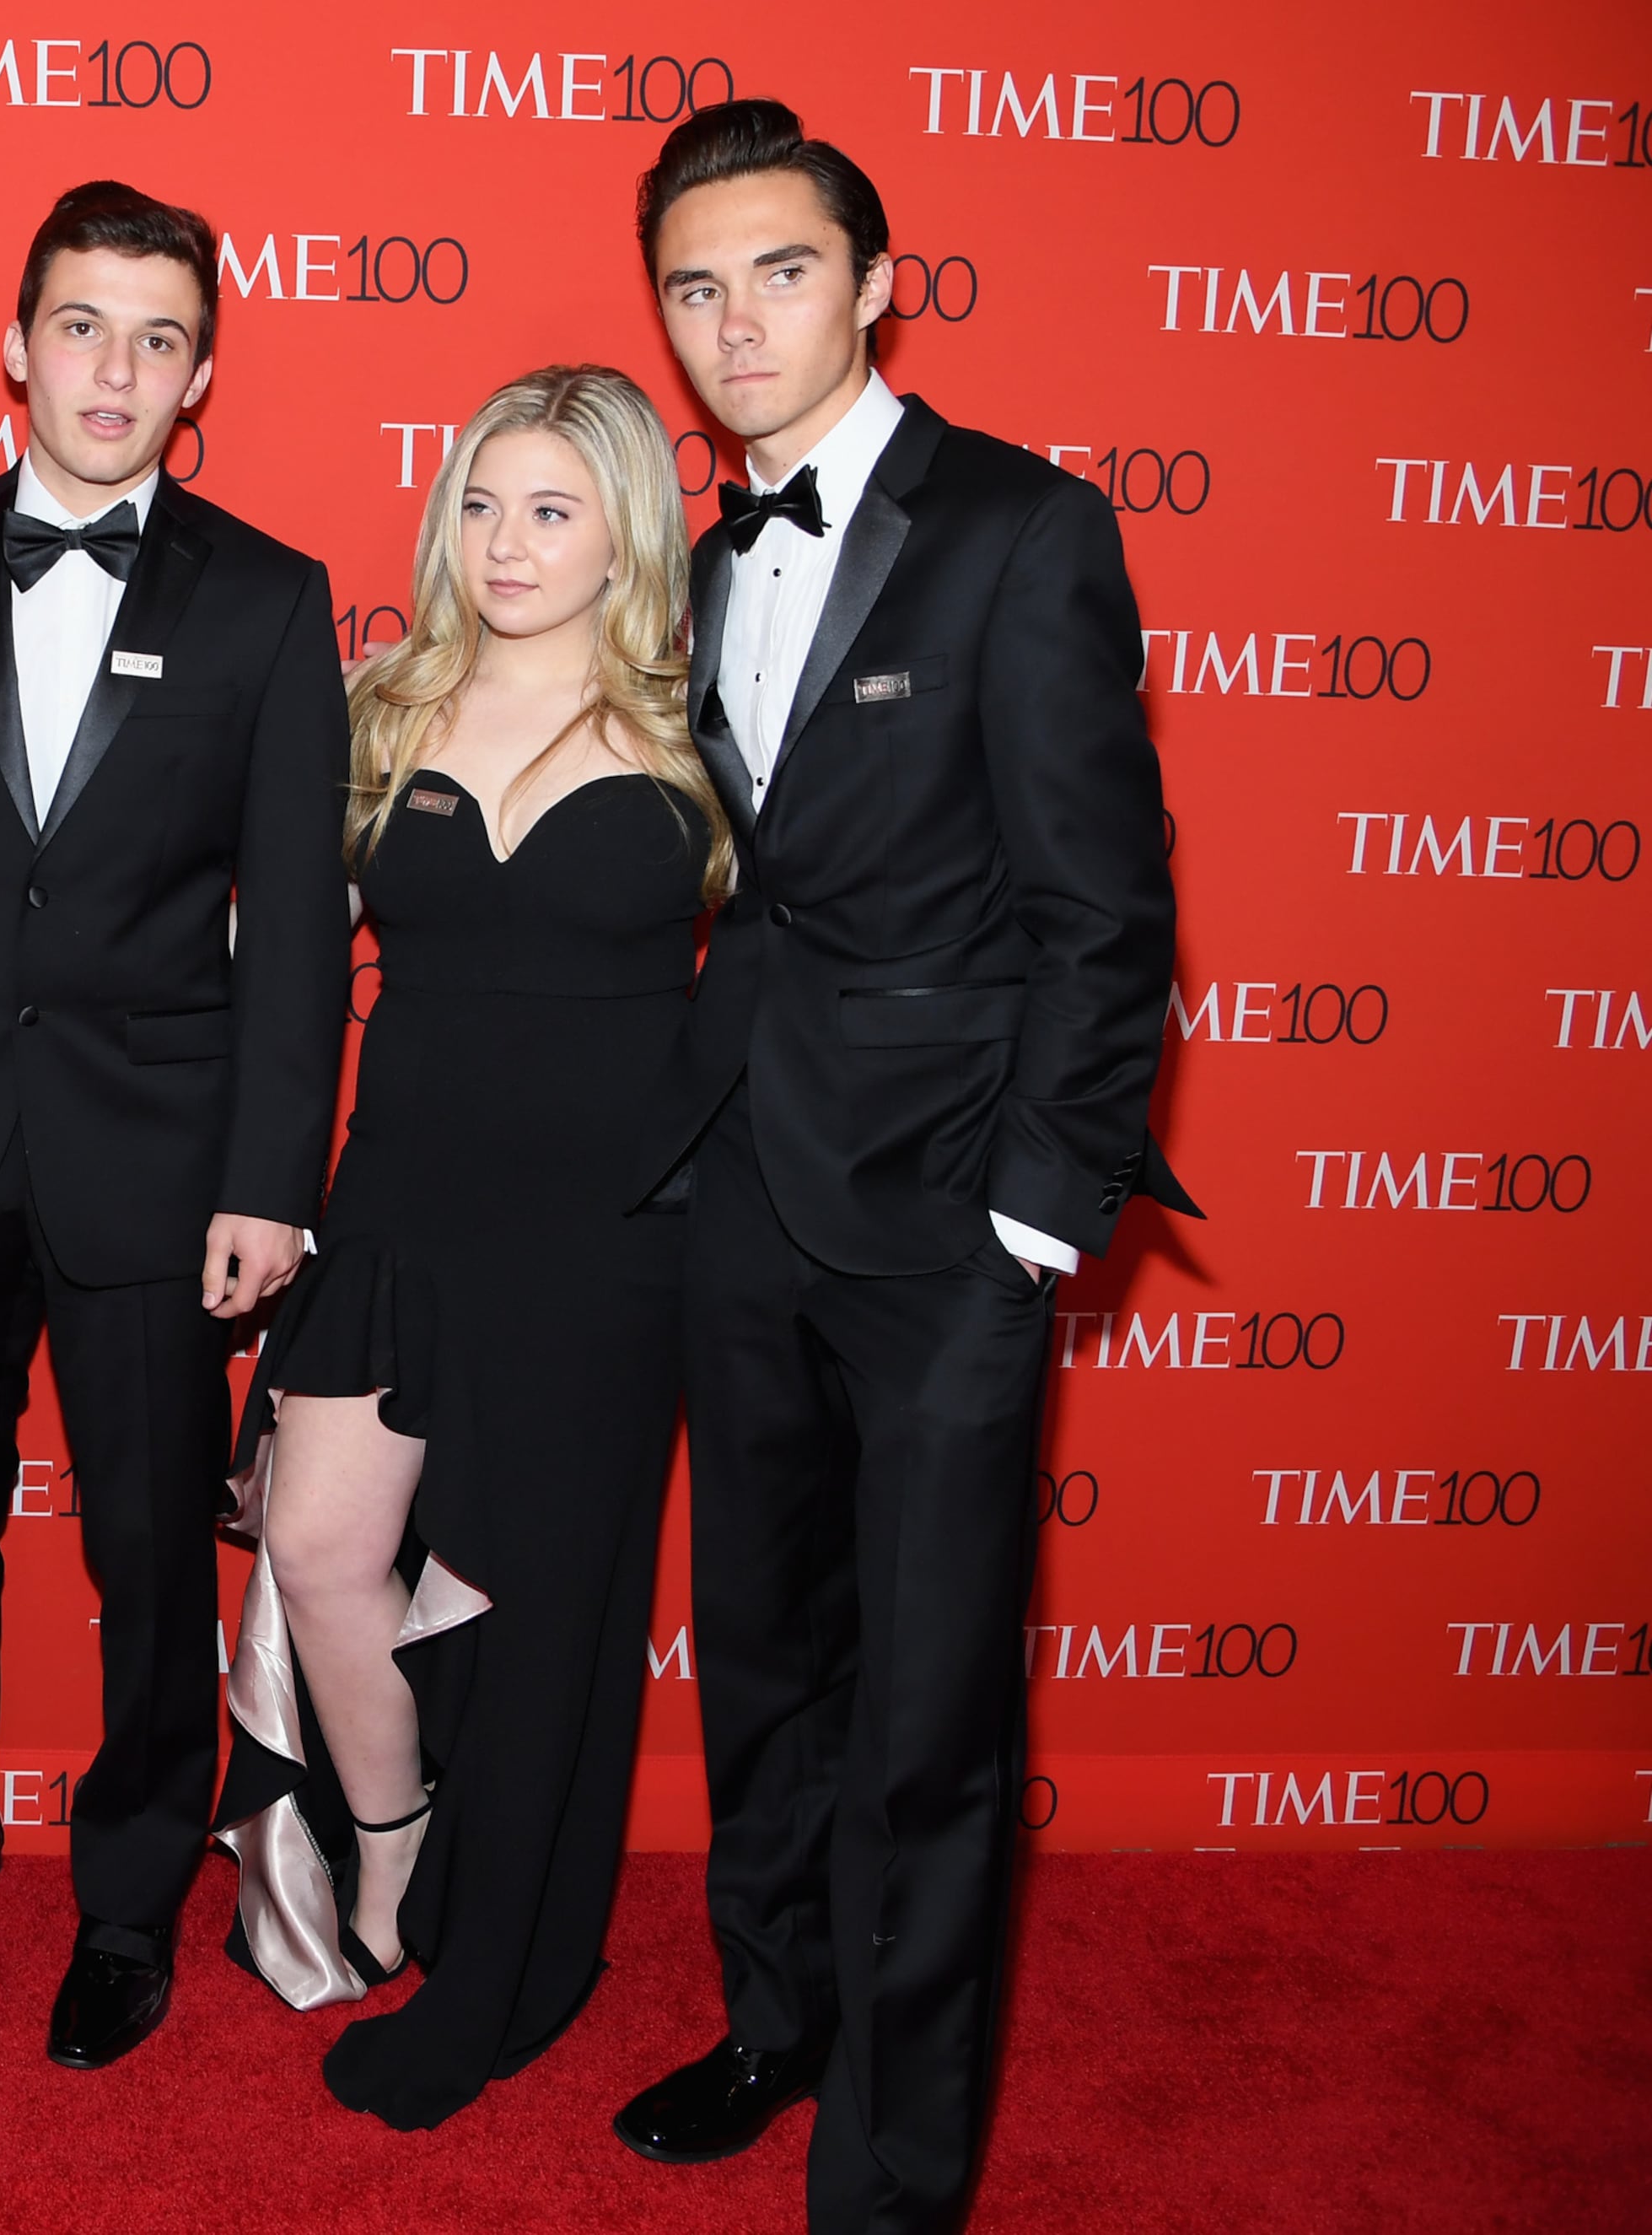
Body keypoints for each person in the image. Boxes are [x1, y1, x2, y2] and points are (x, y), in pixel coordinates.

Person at [611, 101, 1193, 2230]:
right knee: (764, 1658)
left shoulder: (1024, 532)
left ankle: (898, 2160)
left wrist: (1035, 1212)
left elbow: (1107, 905)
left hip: (952, 1212)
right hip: (739, 1187)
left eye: (780, 271)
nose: (737, 317)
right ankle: (777, 2019)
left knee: (933, 1711)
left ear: (874, 284)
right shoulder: (684, 553)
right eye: (696, 283)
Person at [0, 180, 352, 2070]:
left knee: (142, 1550)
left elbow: (297, 925)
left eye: (158, 336)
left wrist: (272, 1181)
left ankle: (130, 1897)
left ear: (200, 370)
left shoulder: (275, 600)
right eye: (82, 324)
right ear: (14, 341)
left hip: (157, 1158)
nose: (114, 368)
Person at [216, 365, 725, 2129]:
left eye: (553, 510)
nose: (507, 544)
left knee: (549, 1618)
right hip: (399, 1205)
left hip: (610, 1245)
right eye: (484, 506)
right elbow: (275, 960)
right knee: (318, 1536)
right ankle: (393, 1837)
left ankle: (498, 1969)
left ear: (626, 532)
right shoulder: (377, 707)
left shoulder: (701, 726)